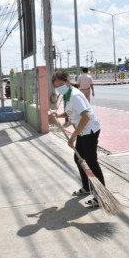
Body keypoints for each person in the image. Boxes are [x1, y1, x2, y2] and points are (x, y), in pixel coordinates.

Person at [51, 71, 104, 207]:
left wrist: (73, 136)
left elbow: (85, 117)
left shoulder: (74, 96)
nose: (59, 88)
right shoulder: (66, 95)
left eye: (61, 84)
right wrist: (60, 115)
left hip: (90, 131)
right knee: (78, 159)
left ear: (68, 81)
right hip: (82, 131)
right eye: (57, 86)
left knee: (91, 162)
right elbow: (71, 112)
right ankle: (86, 187)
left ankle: (101, 195)